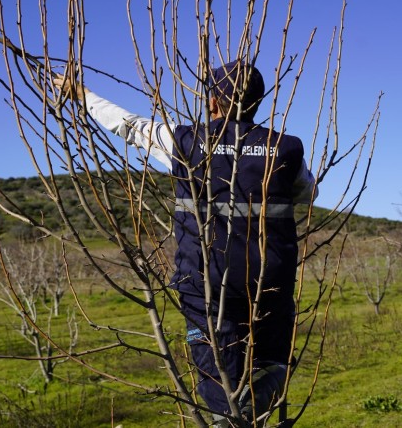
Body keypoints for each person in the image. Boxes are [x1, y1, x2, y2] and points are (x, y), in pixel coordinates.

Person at [54, 60, 318, 424]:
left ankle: (230, 415)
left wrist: (81, 94)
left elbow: (130, 127)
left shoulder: (185, 142)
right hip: (270, 279)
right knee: (272, 364)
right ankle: (254, 400)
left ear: (212, 102)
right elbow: (308, 192)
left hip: (205, 282)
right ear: (258, 103)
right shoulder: (287, 148)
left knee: (218, 378)